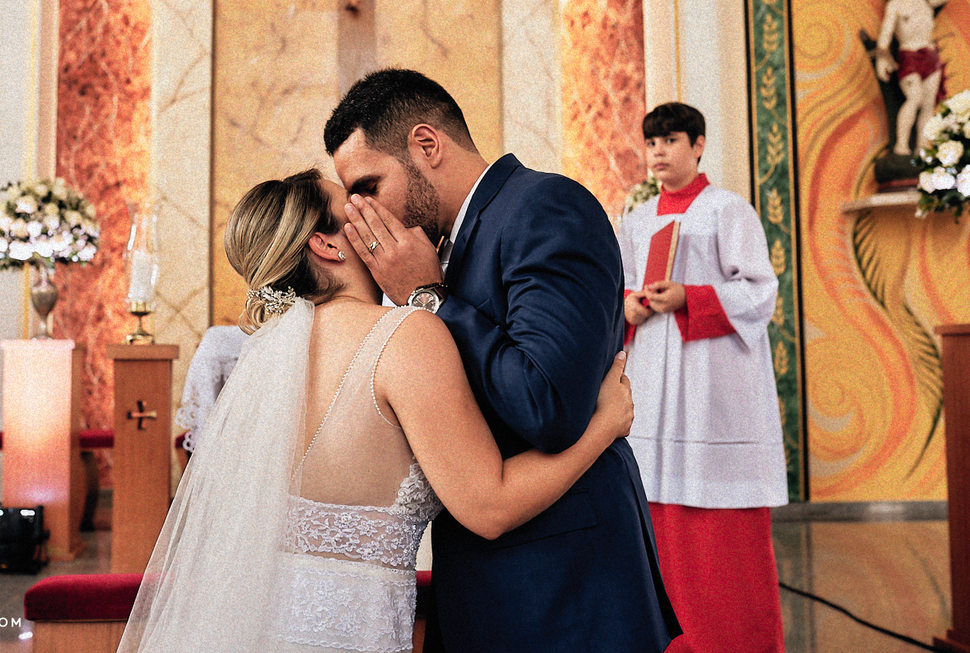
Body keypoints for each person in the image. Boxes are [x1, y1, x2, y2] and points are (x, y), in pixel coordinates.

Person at [117, 168, 636, 653]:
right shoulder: (407, 336)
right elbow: (490, 507)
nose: (377, 212)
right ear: (325, 244)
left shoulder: (263, 357)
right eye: (355, 206)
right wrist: (602, 425)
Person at [325, 68, 680, 652]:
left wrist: (430, 298)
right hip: (490, 581)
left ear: (426, 145)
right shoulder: (451, 242)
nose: (362, 211)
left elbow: (549, 406)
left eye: (369, 185)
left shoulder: (545, 207)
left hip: (564, 587)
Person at [617, 102, 788, 653]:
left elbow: (760, 291)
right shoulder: (637, 220)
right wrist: (629, 307)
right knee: (653, 517)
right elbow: (616, 291)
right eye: (652, 143)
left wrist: (692, 296)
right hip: (653, 385)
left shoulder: (728, 212)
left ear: (698, 145)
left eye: (669, 140)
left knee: (719, 539)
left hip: (712, 390)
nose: (659, 152)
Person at [874, 0, 966, 156]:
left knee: (927, 105)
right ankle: (901, 146)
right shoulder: (895, 4)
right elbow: (885, 34)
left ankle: (922, 149)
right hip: (909, 56)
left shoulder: (926, 1)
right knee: (913, 98)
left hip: (930, 56)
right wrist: (881, 58)